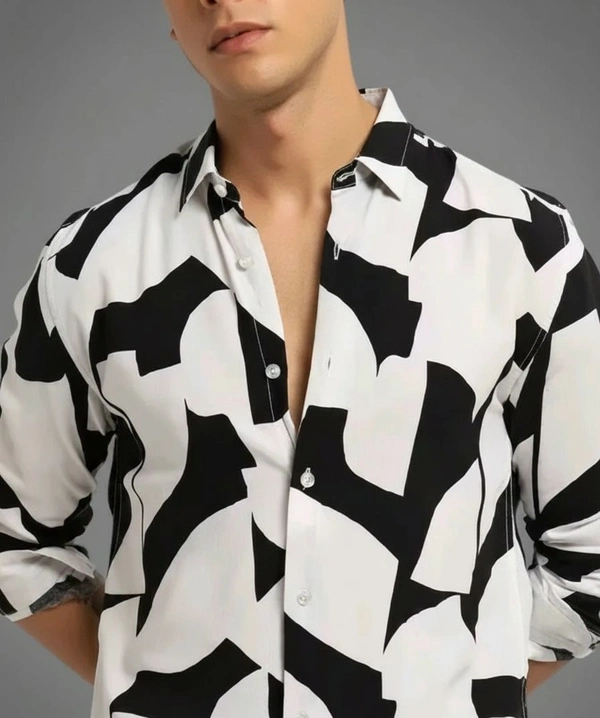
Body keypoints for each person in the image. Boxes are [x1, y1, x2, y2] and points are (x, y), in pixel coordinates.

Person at [1, 0, 599, 716]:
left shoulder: (521, 246)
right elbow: (13, 538)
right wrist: (153, 686)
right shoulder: (91, 264)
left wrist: (463, 689)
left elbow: (593, 554)